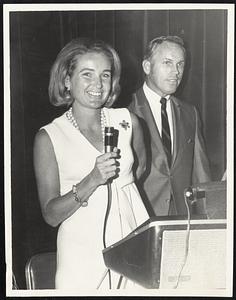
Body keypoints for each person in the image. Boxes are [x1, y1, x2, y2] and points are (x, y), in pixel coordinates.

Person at [33, 37, 149, 290]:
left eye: (105, 75)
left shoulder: (128, 121)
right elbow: (51, 215)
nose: (98, 84)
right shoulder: (50, 137)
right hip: (81, 254)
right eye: (87, 74)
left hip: (133, 242)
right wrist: (92, 180)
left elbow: (140, 167)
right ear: (67, 80)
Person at [128, 36, 211, 216]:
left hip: (183, 217)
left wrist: (207, 219)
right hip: (139, 218)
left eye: (180, 64)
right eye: (167, 63)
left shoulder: (190, 113)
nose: (176, 72)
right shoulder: (125, 110)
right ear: (147, 67)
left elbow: (201, 173)